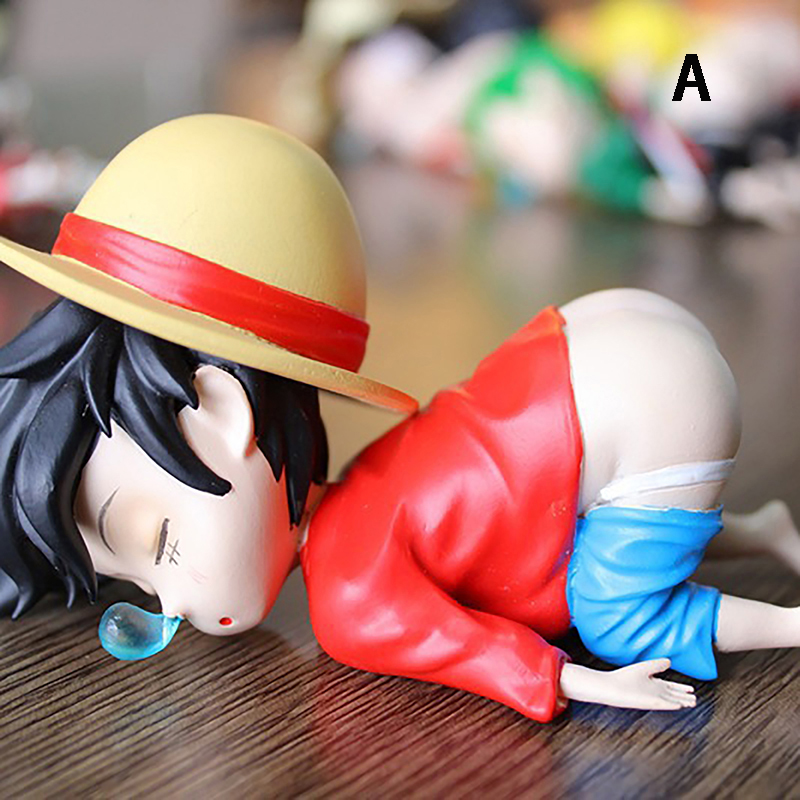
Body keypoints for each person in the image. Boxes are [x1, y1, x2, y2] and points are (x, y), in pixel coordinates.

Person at [0, 114, 798, 723]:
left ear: (220, 413)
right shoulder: (369, 481)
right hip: (589, 339)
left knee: (619, 618)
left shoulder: (346, 601)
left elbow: (464, 648)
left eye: (160, 545)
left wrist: (578, 678)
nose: (166, 605)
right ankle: (763, 529)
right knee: (608, 544)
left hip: (637, 408)